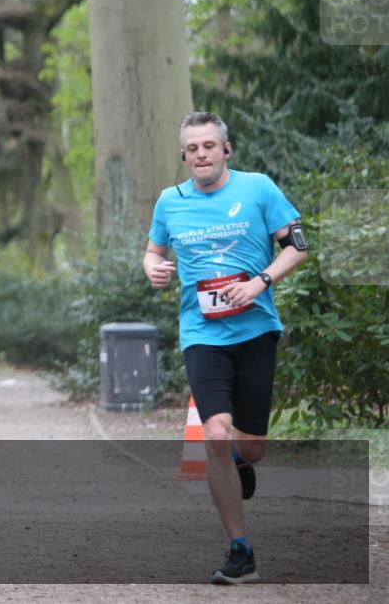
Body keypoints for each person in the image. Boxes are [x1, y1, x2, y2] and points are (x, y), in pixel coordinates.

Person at [144, 111, 308, 585]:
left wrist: (260, 282)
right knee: (215, 434)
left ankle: (240, 463)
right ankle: (241, 550)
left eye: (209, 146)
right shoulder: (169, 202)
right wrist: (152, 267)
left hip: (256, 330)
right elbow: (154, 251)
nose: (201, 155)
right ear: (183, 155)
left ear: (226, 150)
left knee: (250, 448)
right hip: (202, 335)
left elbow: (297, 244)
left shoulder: (257, 188)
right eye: (192, 149)